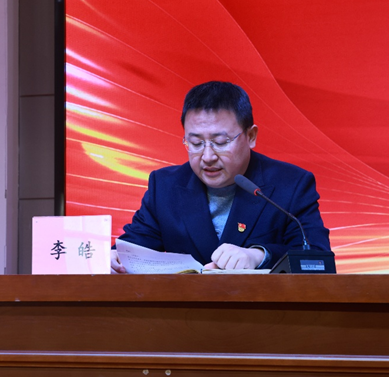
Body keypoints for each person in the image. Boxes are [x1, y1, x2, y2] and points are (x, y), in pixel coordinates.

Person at [110, 81, 330, 273]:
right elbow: (133, 248)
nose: (207, 157)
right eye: (196, 143)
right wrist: (113, 258)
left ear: (251, 136)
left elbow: (318, 260)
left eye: (221, 142)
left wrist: (259, 256)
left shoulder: (291, 184)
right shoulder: (165, 186)